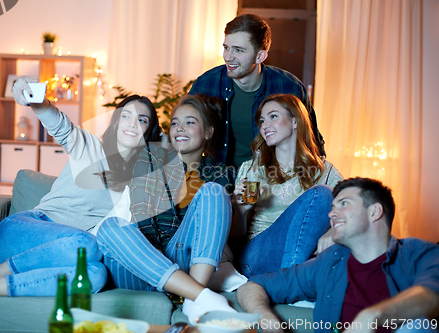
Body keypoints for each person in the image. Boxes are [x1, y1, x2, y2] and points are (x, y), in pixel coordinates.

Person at [0, 77, 162, 322]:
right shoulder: (90, 147)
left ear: (149, 131)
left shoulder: (139, 181)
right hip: (21, 234)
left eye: (142, 120)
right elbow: (60, 125)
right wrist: (37, 100)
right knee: (89, 246)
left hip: (57, 257)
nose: (133, 123)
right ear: (115, 121)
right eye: (126, 115)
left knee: (95, 274)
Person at [96, 94, 237, 325]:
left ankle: (191, 296)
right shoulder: (151, 159)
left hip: (185, 259)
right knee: (111, 227)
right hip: (141, 263)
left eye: (190, 122)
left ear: (209, 131)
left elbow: (224, 247)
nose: (180, 128)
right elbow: (145, 219)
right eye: (174, 123)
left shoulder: (222, 175)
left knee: (213, 191)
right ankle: (198, 295)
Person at [237, 177, 439, 333]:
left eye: (344, 204)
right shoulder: (329, 261)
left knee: (417, 325)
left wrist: (372, 316)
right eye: (332, 207)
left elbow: (432, 296)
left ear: (374, 212)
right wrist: (266, 319)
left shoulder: (418, 253)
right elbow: (253, 286)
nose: (331, 214)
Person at [189, 13, 325, 168]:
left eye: (238, 50)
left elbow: (311, 140)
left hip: (272, 178)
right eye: (226, 48)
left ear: (260, 56)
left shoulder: (289, 87)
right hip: (218, 178)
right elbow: (185, 135)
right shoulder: (206, 83)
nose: (228, 56)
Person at [232, 94, 343, 278]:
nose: (265, 125)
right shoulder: (253, 169)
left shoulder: (326, 171)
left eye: (273, 116)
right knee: (323, 194)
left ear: (295, 121)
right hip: (256, 256)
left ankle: (290, 280)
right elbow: (236, 239)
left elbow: (351, 212)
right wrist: (241, 211)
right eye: (262, 120)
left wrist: (332, 231)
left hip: (304, 254)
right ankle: (294, 280)